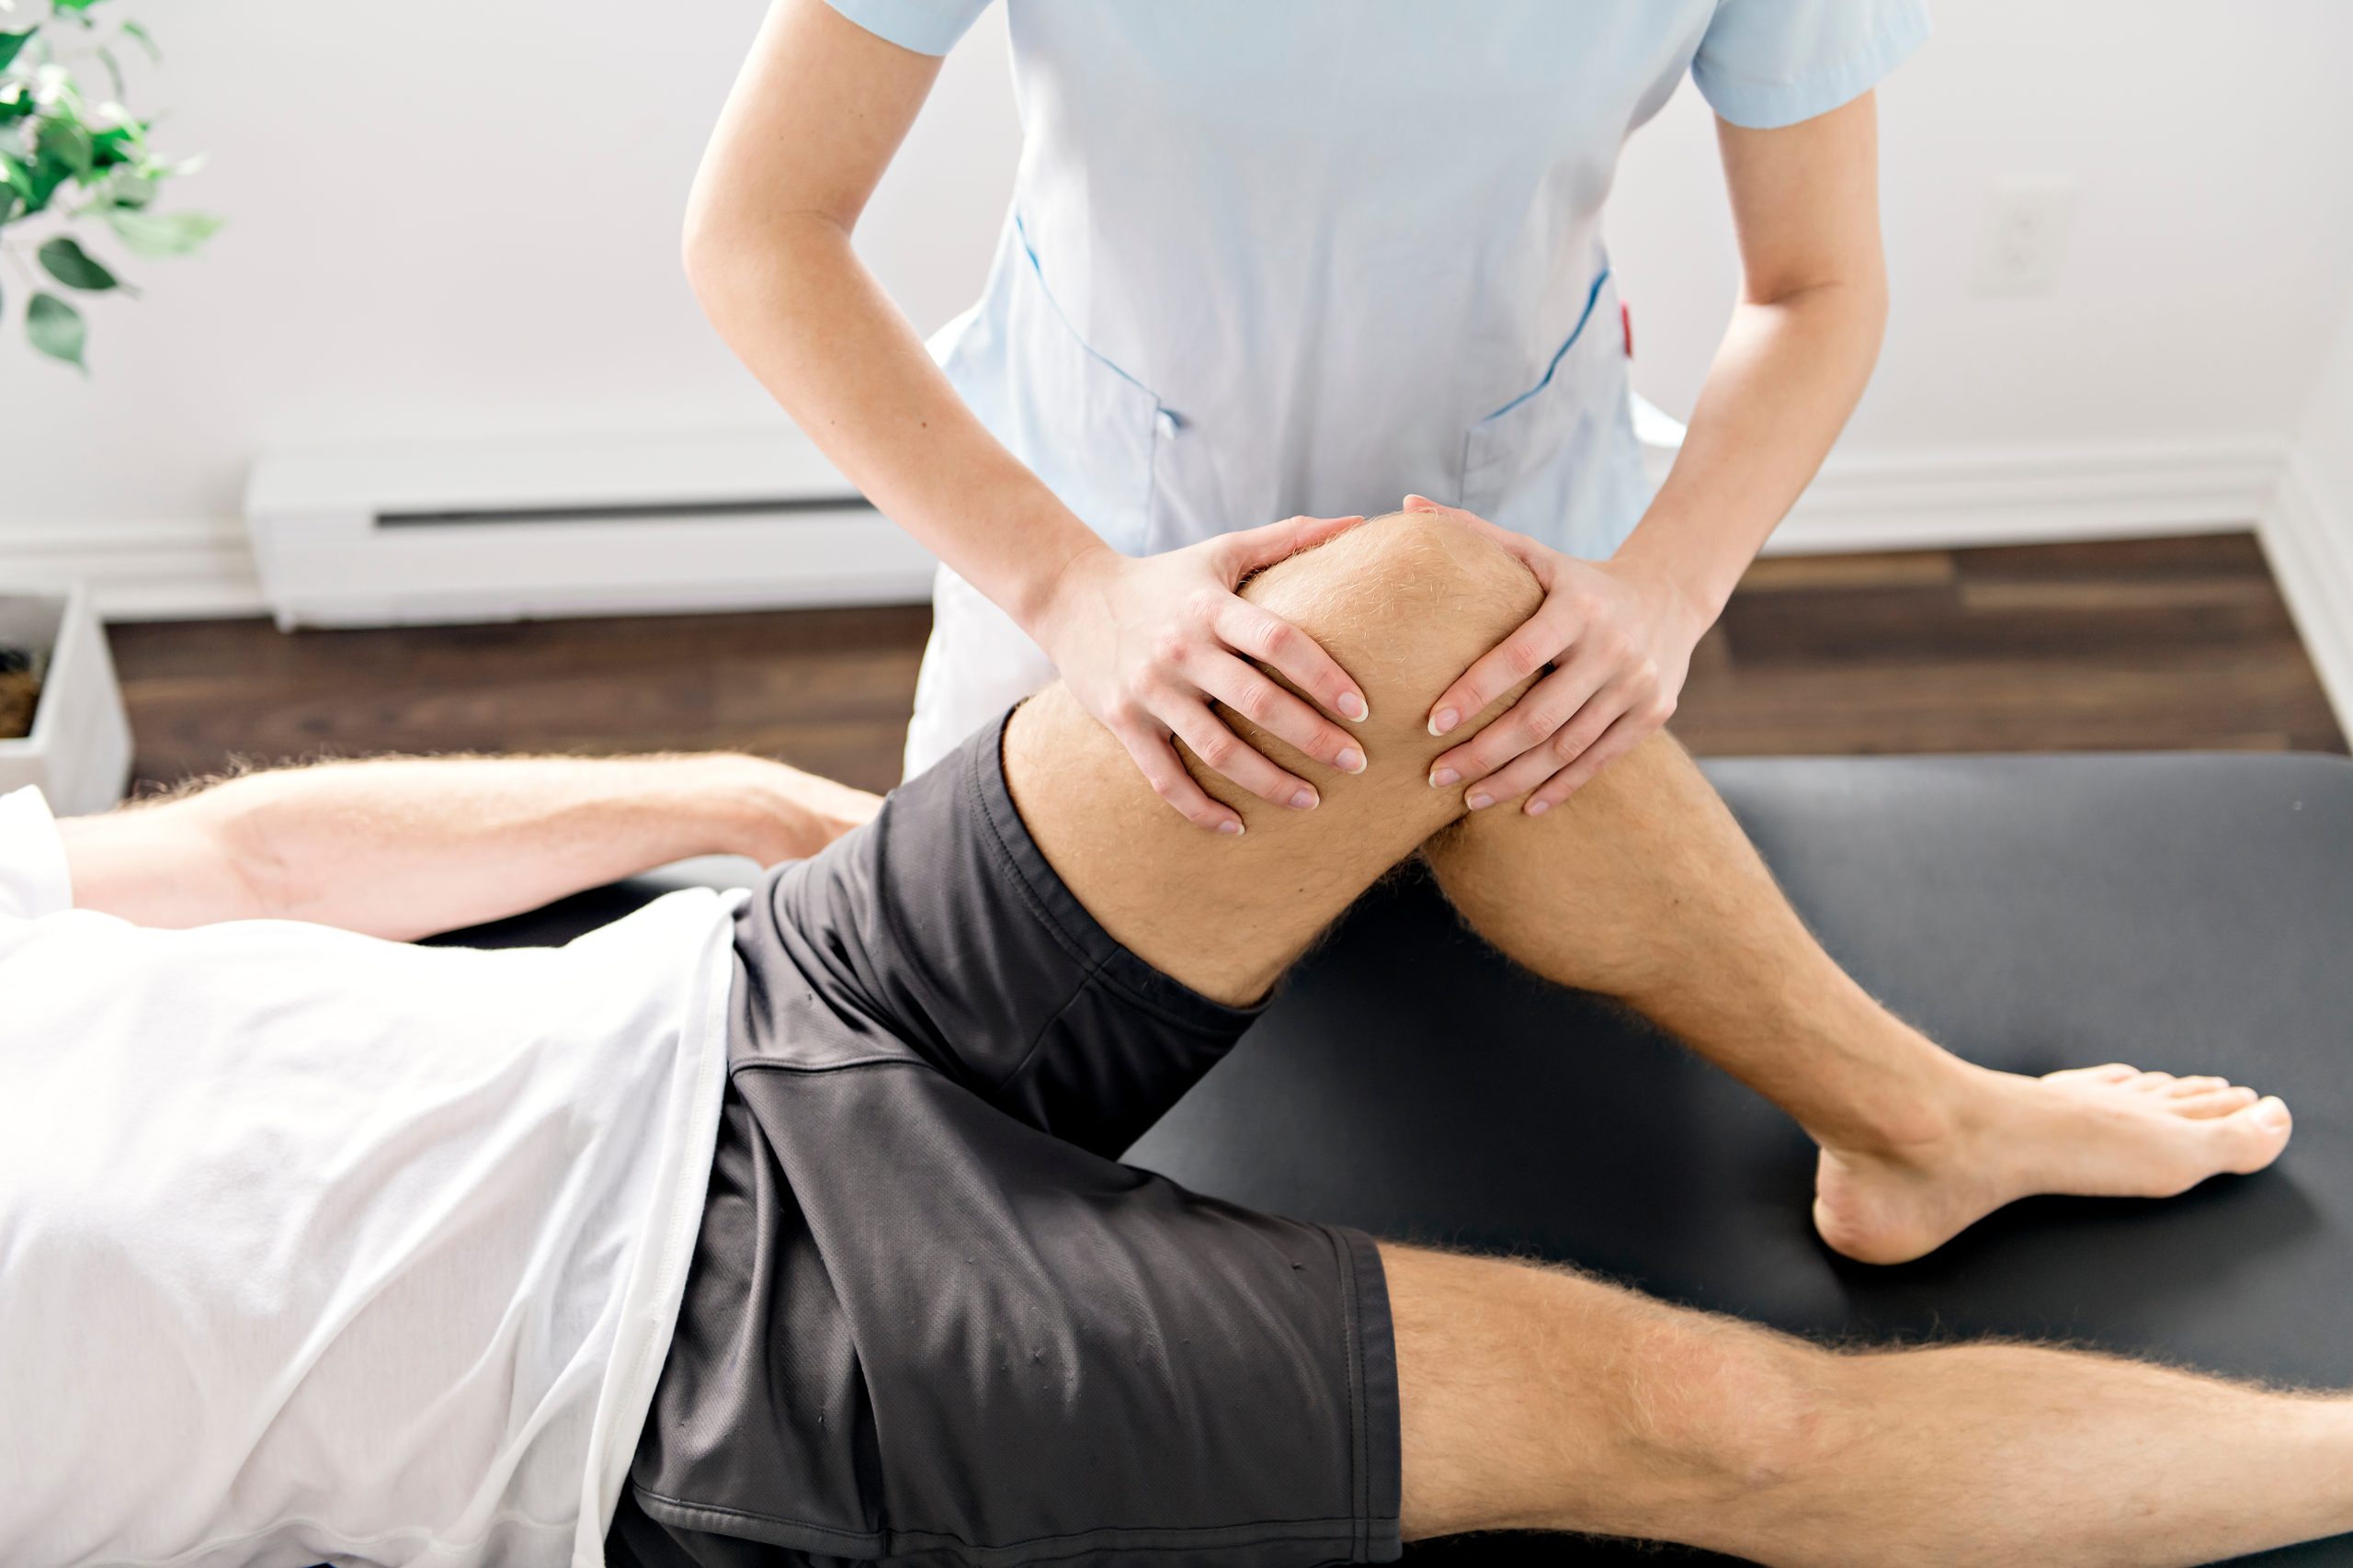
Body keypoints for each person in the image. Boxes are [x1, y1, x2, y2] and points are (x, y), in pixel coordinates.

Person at [0, 510, 2329, 1568]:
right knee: (1695, 1419)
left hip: (745, 992)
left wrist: (721, 799)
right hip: (690, 1364)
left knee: (1410, 605)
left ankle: (1916, 1124)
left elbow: (235, 855)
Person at [685, 0, 1923, 829]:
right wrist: (1070, 590)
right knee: (990, 1071)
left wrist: (1668, 591)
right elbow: (761, 228)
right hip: (1084, 557)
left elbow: (1816, 285)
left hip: (1514, 626)